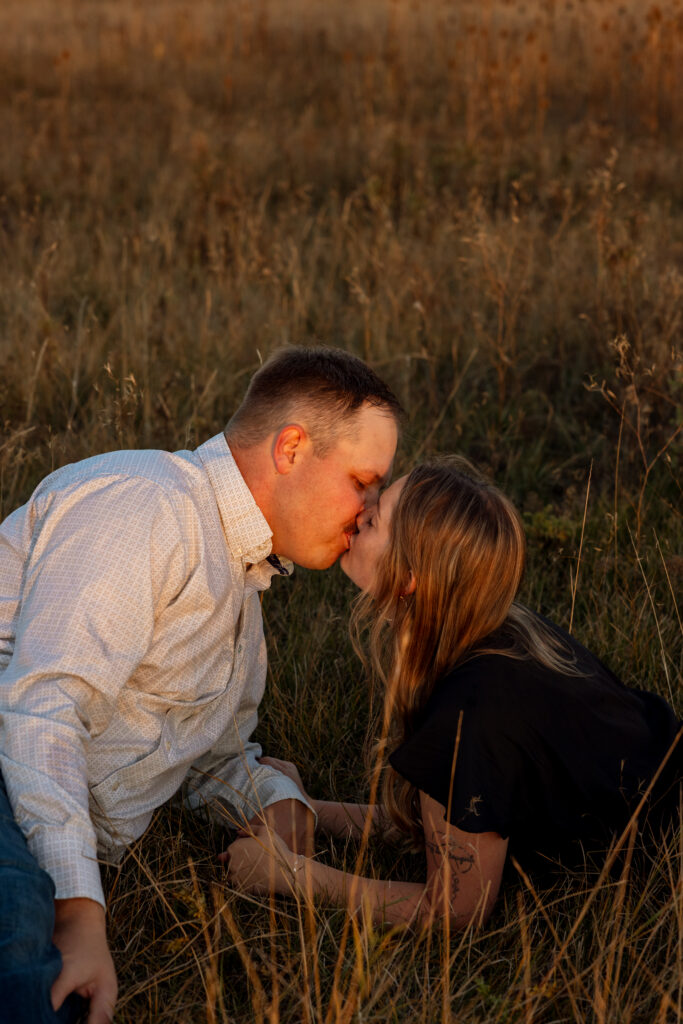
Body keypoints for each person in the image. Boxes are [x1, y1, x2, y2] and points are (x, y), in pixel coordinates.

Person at [0, 346, 401, 1024]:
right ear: (292, 448)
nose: (366, 512)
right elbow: (45, 706)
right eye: (363, 481)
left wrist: (277, 800)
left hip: (27, 794)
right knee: (20, 931)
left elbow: (210, 754)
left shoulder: (241, 592)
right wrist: (79, 911)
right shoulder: (148, 502)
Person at [225, 456, 681, 928]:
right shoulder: (496, 627)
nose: (361, 511)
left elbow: (455, 910)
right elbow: (451, 822)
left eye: (376, 519)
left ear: (409, 578)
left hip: (667, 852)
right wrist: (316, 810)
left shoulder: (470, 713)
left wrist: (290, 876)